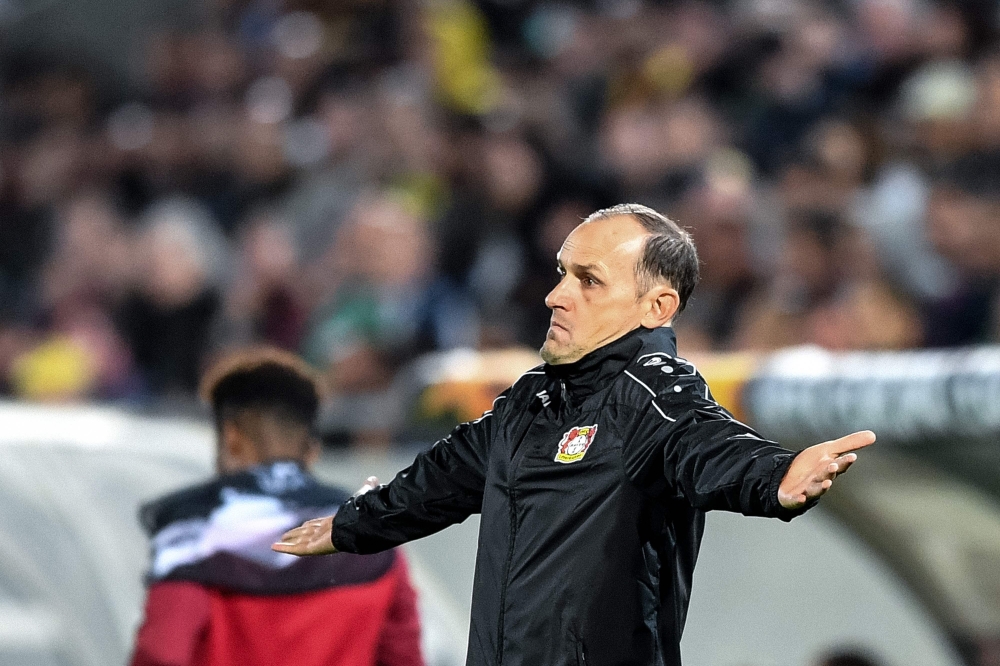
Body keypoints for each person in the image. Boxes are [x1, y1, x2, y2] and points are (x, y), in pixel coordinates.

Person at [274, 203, 875, 666]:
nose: (556, 295)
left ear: (656, 306)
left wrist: (775, 476)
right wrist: (353, 524)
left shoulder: (653, 395)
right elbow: (442, 478)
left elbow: (707, 442)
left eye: (589, 281)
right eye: (563, 273)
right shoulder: (531, 401)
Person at [130, 348, 424, 666]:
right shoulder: (373, 532)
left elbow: (161, 653)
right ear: (312, 449)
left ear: (231, 438)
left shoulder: (193, 536)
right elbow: (403, 657)